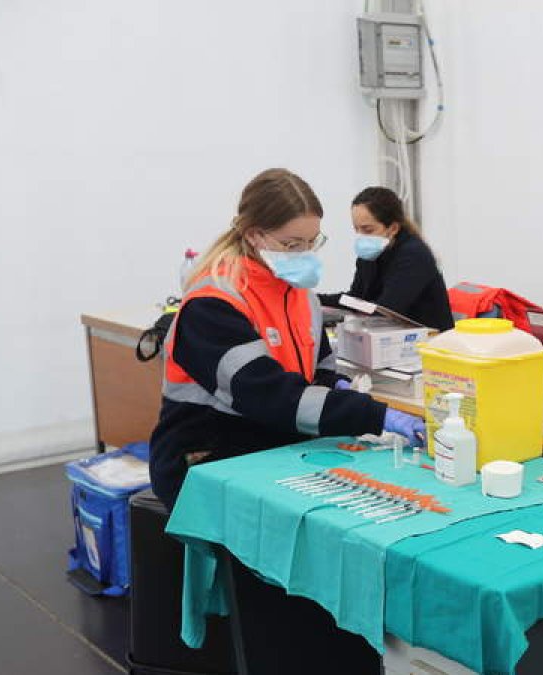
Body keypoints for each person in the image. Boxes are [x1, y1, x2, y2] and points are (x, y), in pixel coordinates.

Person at [149, 169, 426, 510]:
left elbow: (318, 370)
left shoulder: (299, 294)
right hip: (208, 459)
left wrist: (339, 388)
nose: (305, 253)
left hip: (276, 444)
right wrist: (374, 415)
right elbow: (268, 395)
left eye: (313, 242)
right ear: (254, 236)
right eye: (292, 244)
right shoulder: (214, 302)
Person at [319, 187, 454, 331]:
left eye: (368, 230)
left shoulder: (413, 255)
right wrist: (315, 300)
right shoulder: (370, 253)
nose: (361, 237)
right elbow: (355, 298)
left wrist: (353, 308)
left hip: (429, 341)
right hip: (393, 337)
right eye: (356, 229)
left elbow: (386, 311)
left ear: (393, 228)